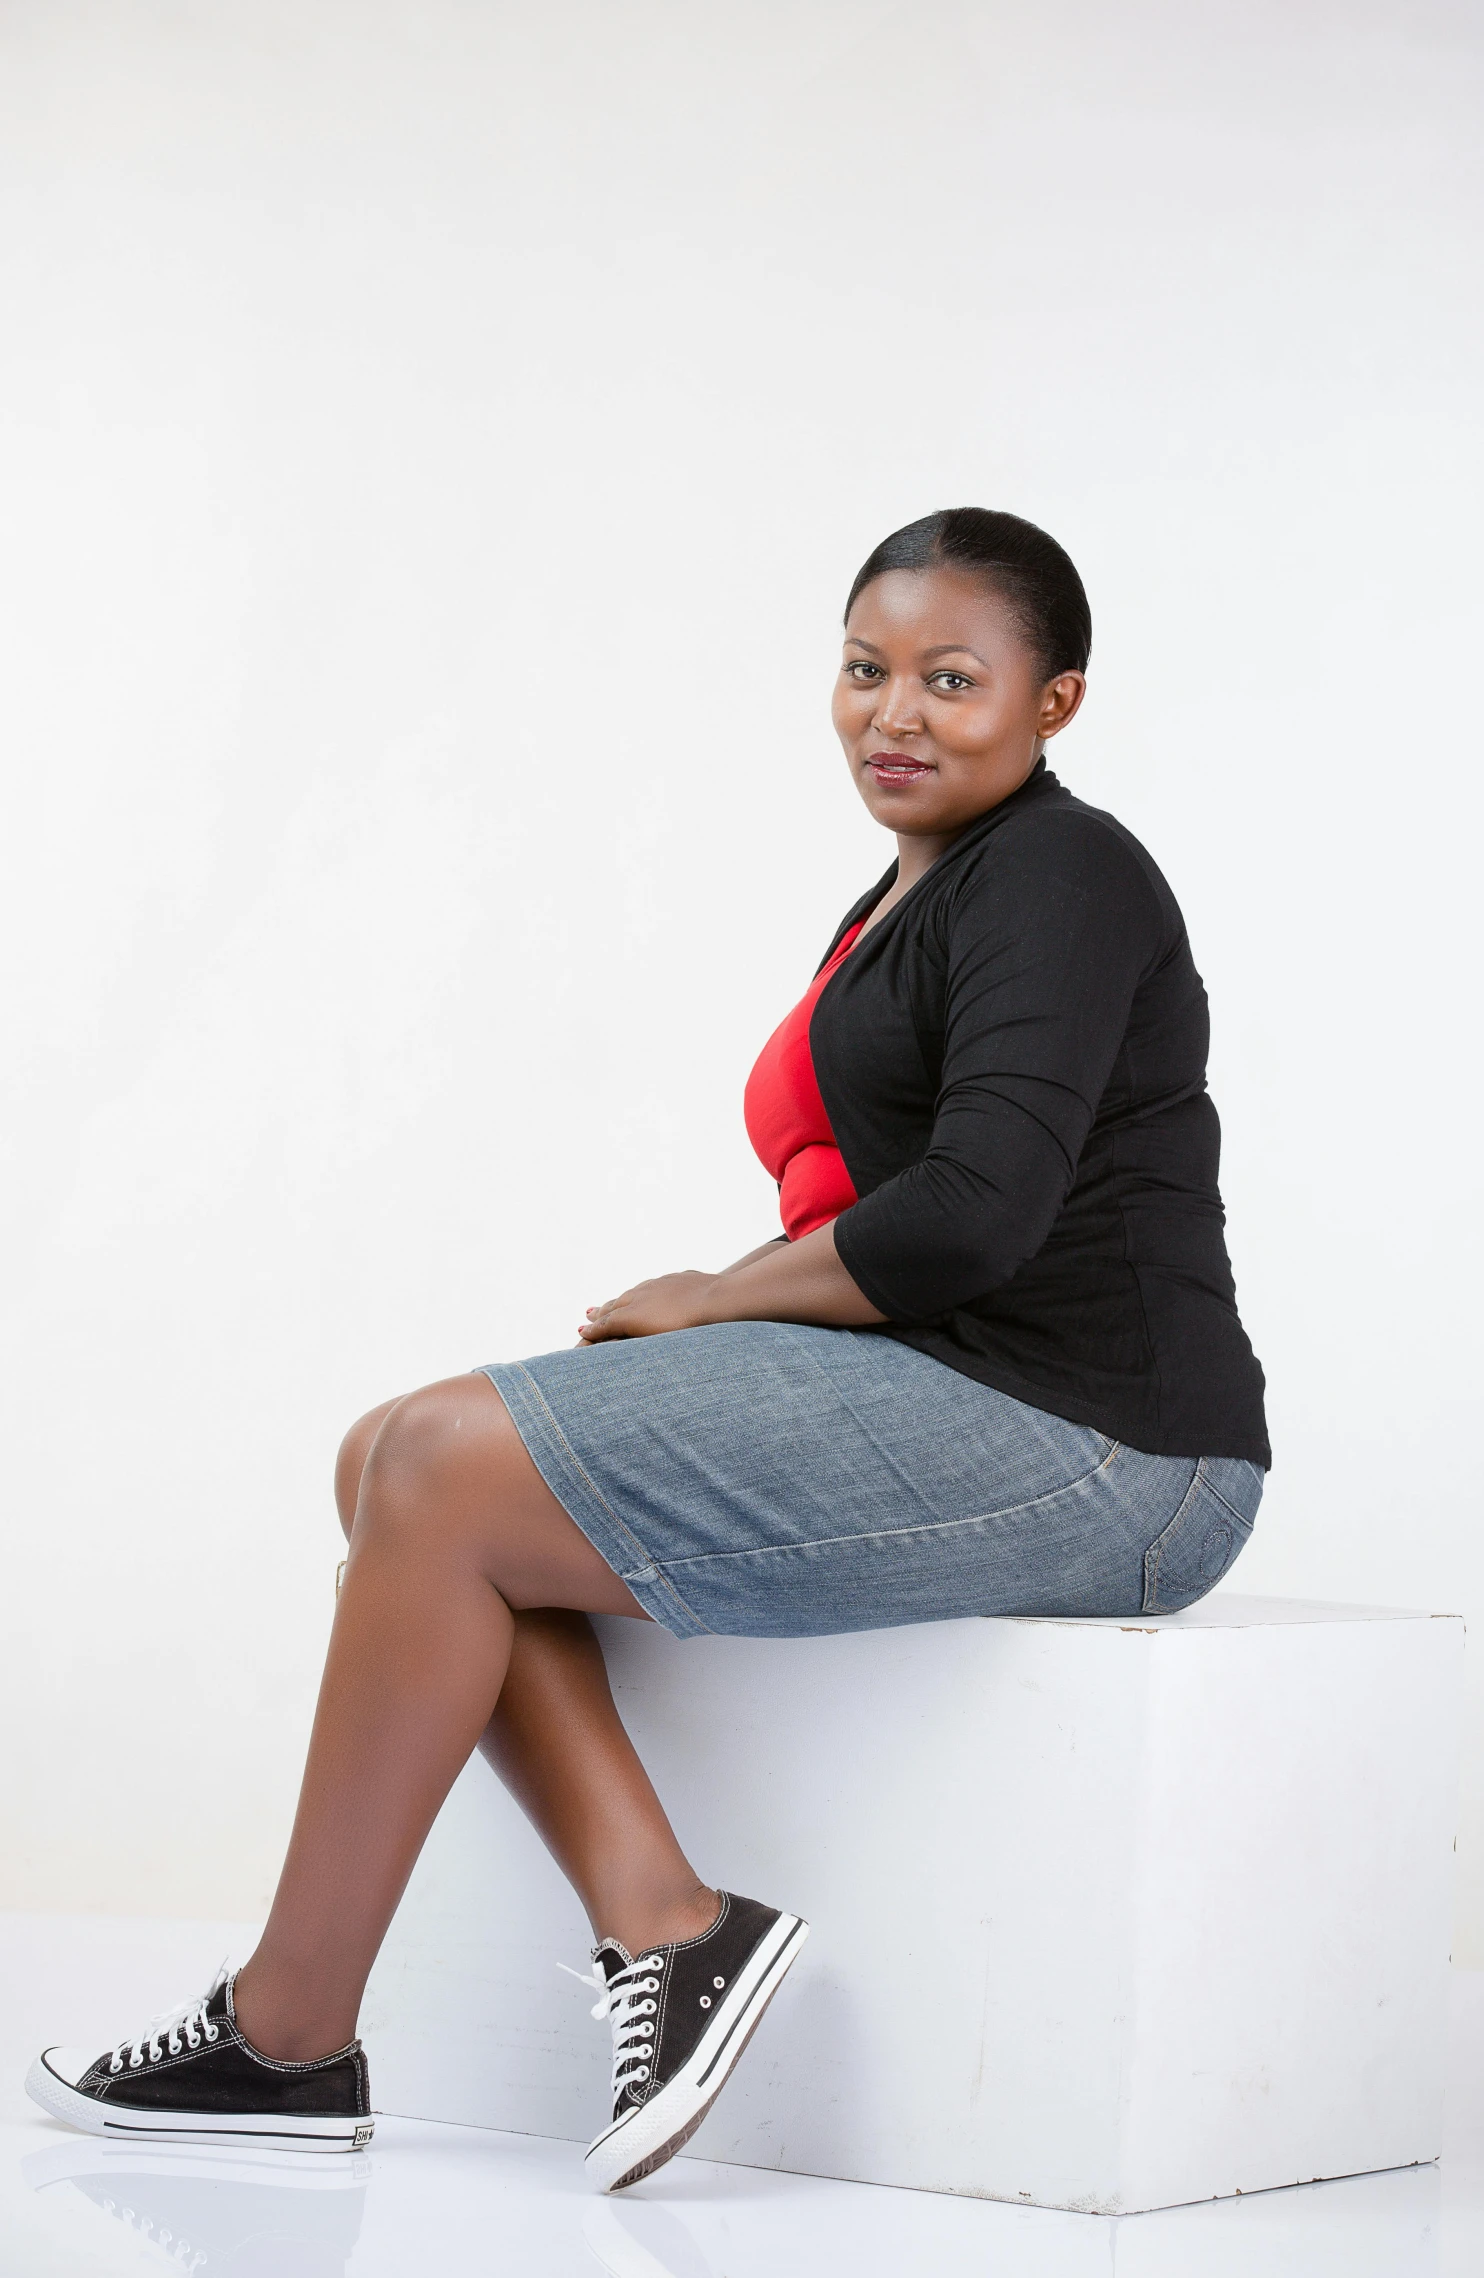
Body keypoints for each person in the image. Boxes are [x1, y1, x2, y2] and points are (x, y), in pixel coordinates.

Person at [27, 507, 1268, 2193]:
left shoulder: (1063, 869)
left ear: (1055, 701)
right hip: (964, 1387)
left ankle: (287, 2029)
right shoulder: (912, 890)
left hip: (1109, 1447)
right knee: (395, 1458)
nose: (892, 713)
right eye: (863, 669)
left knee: (437, 1470)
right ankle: (662, 1926)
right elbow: (907, 1204)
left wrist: (715, 1293)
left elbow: (976, 1214)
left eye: (950, 681)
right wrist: (713, 1299)